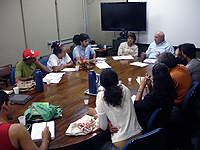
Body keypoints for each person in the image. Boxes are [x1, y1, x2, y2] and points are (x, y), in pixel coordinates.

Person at [87, 68, 142, 150]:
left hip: (121, 144)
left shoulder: (101, 96)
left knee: (95, 144)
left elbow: (103, 127)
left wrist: (95, 114)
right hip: (140, 140)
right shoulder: (125, 89)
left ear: (101, 83)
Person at [134, 63, 176, 129]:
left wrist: (141, 87)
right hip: (160, 120)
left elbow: (136, 106)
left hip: (145, 123)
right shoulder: (169, 88)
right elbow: (152, 97)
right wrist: (149, 85)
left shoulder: (152, 98)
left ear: (153, 77)